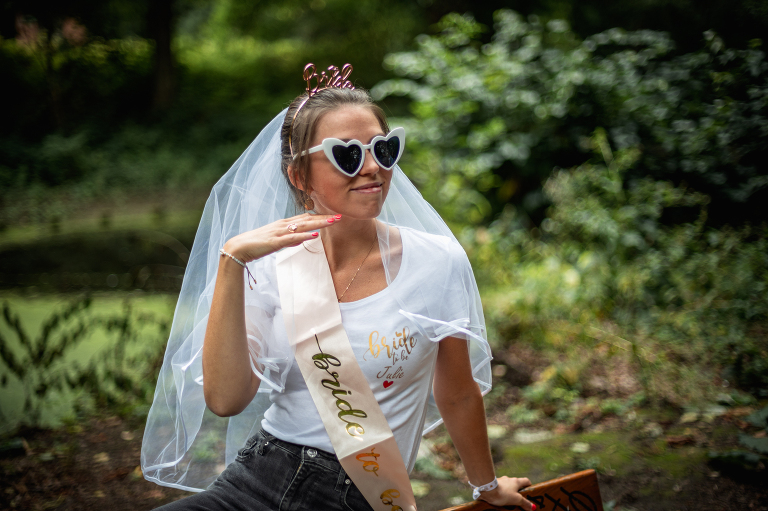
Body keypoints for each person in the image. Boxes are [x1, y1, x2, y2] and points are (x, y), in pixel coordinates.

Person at [142, 64, 534, 511]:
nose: (372, 168)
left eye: (383, 149)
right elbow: (226, 399)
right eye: (347, 154)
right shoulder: (266, 265)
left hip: (361, 495)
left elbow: (458, 392)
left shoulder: (436, 261)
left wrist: (485, 486)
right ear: (298, 175)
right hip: (258, 478)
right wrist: (232, 261)